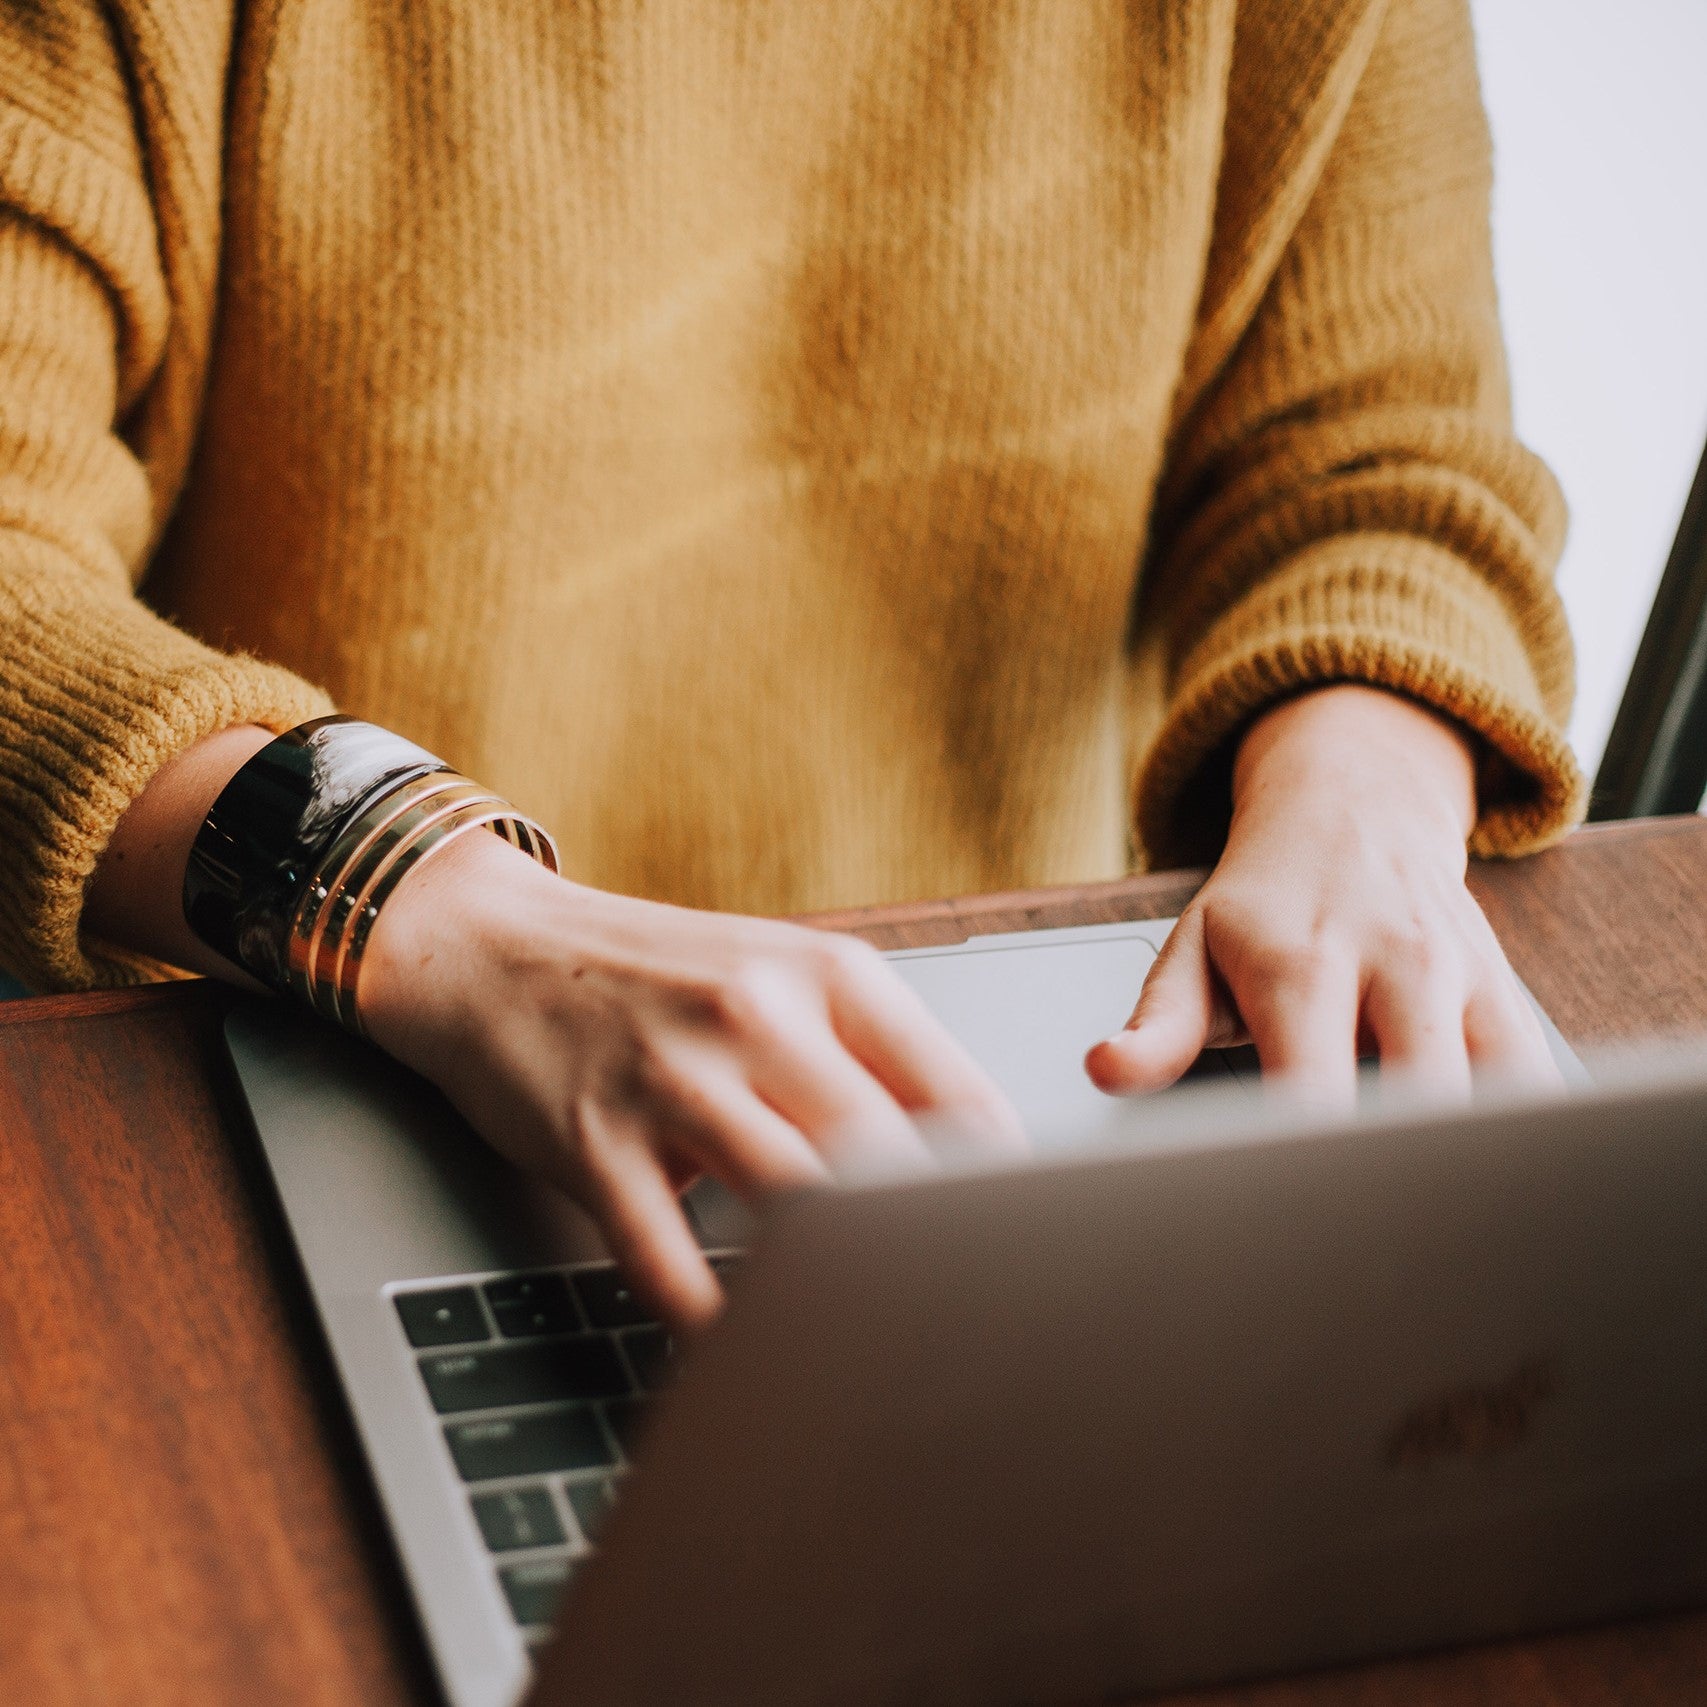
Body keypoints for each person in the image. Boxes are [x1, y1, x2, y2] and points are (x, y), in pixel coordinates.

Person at [0, 0, 1582, 1330]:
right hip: (330, 1073)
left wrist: (1359, 799)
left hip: (1032, 1081)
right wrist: (439, 910)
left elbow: (1382, 458)